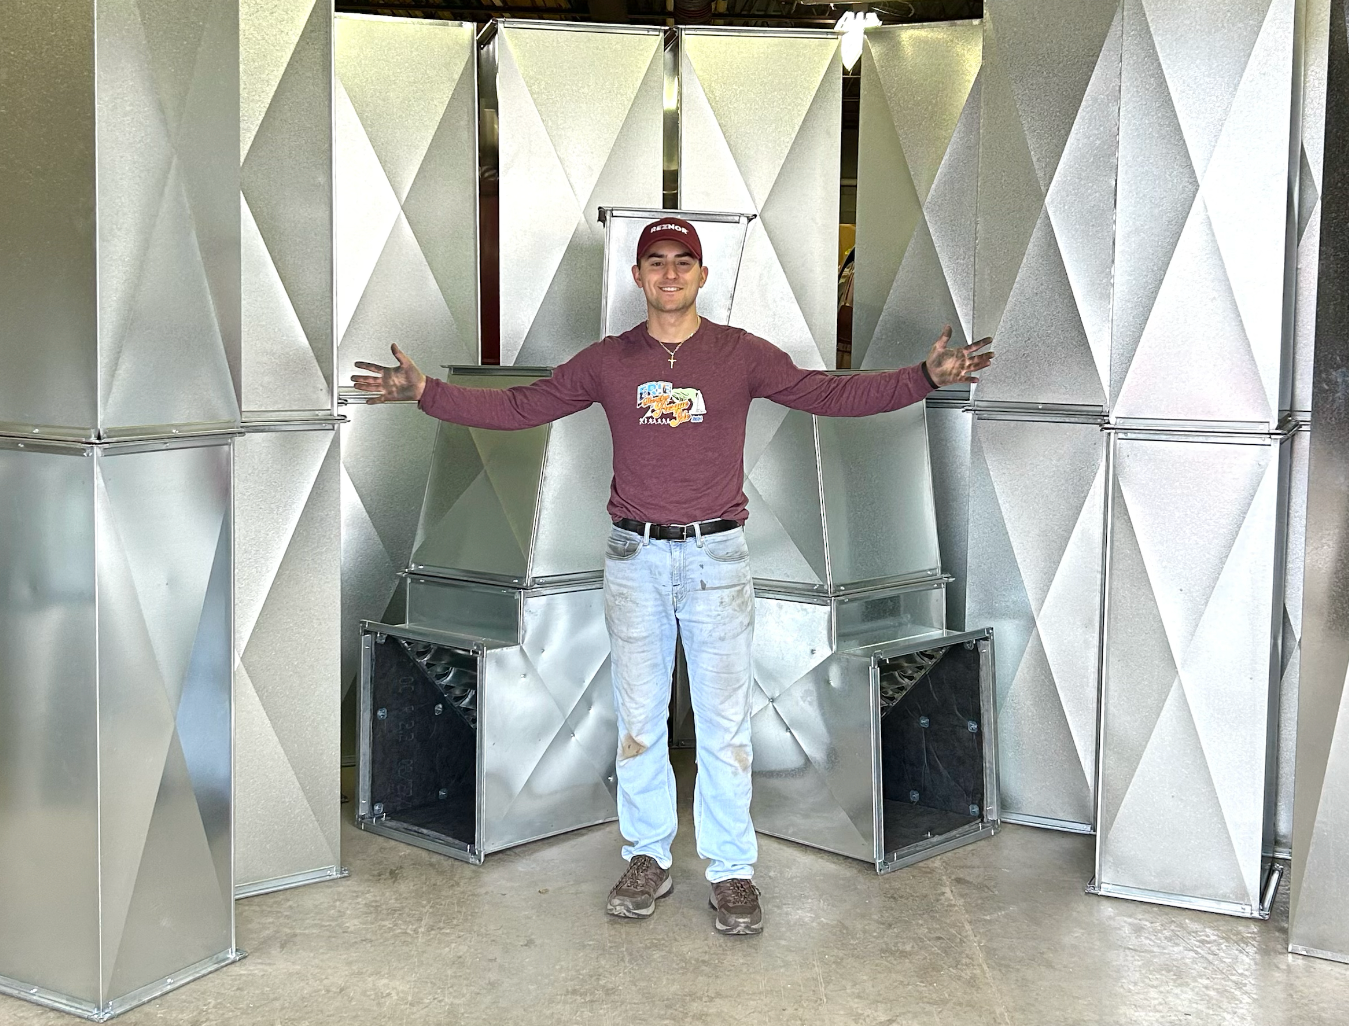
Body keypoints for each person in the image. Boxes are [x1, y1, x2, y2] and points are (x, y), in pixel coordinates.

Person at [351, 217, 992, 937]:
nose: (669, 273)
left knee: (722, 729)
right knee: (639, 722)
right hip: (635, 560)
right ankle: (648, 858)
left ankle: (731, 871)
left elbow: (825, 396)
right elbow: (522, 407)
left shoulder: (741, 355)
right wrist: (426, 392)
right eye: (655, 261)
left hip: (717, 560)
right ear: (638, 277)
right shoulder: (607, 360)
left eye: (682, 261)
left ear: (701, 275)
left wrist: (923, 378)